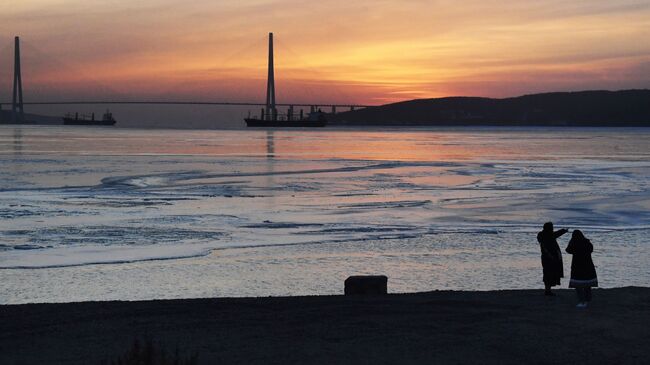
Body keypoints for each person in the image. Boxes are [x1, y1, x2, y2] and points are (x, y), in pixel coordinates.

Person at [566, 230, 598, 308]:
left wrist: (570, 241)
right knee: (587, 285)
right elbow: (591, 250)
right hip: (588, 265)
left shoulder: (574, 244)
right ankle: (587, 300)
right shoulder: (588, 243)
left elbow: (568, 250)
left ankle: (582, 301)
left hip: (577, 266)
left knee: (578, 285)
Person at [536, 222, 568, 296]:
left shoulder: (543, 235)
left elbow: (556, 234)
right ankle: (548, 290)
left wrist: (563, 230)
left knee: (548, 273)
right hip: (549, 257)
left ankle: (548, 290)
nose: (553, 228)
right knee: (549, 273)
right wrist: (563, 230)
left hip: (547, 257)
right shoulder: (548, 235)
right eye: (552, 227)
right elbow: (555, 235)